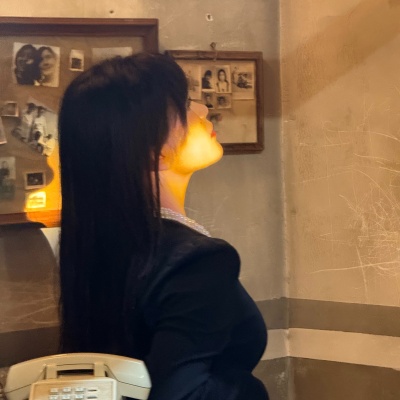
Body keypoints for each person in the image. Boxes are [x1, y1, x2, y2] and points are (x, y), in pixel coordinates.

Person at [58, 53, 269, 400]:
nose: (202, 110)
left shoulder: (96, 243)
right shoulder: (198, 260)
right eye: (185, 105)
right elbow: (180, 393)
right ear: (154, 152)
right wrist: (250, 389)